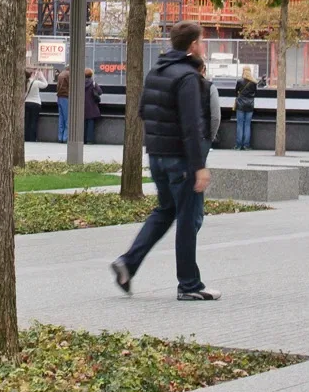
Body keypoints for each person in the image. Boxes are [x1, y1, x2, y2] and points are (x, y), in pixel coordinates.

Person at [110, 21, 220, 301]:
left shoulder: (155, 71)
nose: (203, 47)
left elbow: (142, 111)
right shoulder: (188, 77)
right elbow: (192, 126)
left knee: (165, 211)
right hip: (180, 161)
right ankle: (189, 285)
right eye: (202, 41)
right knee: (186, 219)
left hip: (157, 156)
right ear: (193, 45)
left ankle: (128, 263)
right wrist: (199, 166)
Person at [234, 68, 258, 150]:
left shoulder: (240, 82)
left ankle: (238, 145)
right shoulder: (254, 83)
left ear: (243, 71)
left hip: (240, 105)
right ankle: (246, 145)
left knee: (240, 125)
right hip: (250, 106)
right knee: (247, 125)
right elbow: (255, 93)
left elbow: (235, 92)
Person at [23, 69, 43, 143]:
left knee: (26, 121)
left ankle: (26, 137)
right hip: (35, 103)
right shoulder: (36, 82)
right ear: (32, 74)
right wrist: (41, 76)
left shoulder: (25, 82)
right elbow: (45, 84)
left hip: (26, 103)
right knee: (33, 121)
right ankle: (32, 138)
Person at [83, 68, 102, 145]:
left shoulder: (80, 83)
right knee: (90, 123)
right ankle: (89, 140)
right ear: (91, 75)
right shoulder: (93, 83)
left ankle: (82, 139)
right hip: (91, 106)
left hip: (82, 106)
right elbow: (100, 92)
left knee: (83, 124)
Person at [55, 69, 72, 143]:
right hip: (66, 97)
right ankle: (65, 138)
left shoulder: (61, 74)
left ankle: (60, 137)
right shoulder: (69, 74)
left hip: (60, 97)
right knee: (67, 119)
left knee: (61, 119)